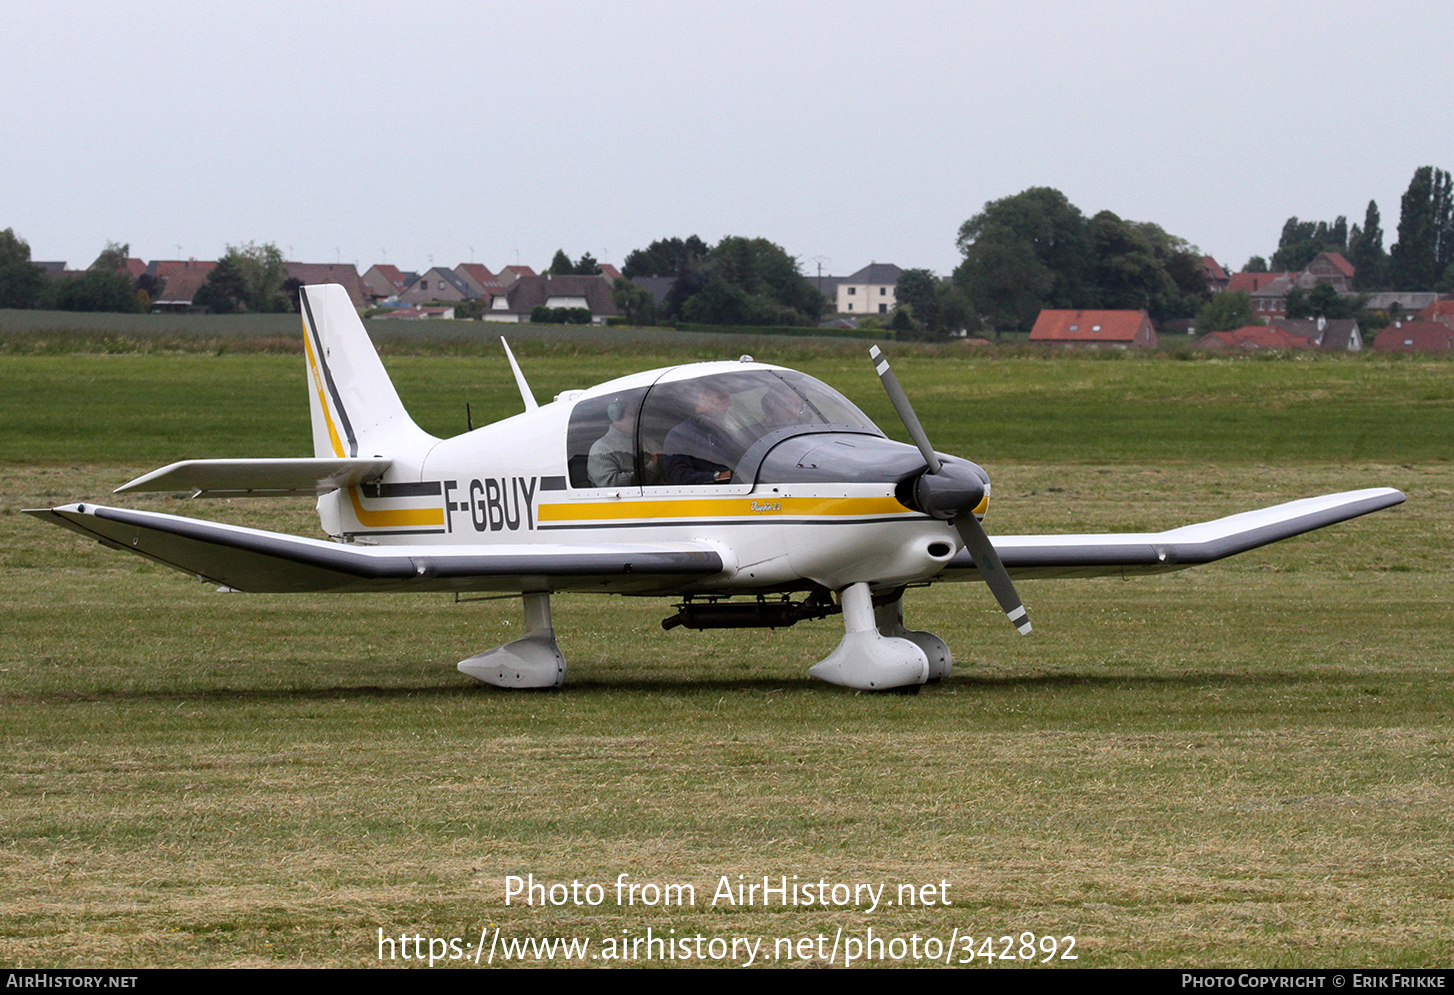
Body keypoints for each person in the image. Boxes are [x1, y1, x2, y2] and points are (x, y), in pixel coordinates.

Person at [663, 384, 735, 484]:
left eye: (728, 398)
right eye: (721, 398)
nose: (729, 403)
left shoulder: (726, 433)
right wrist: (719, 476)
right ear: (702, 399)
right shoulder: (680, 434)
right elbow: (679, 476)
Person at [587, 397, 637, 486]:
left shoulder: (650, 444)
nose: (636, 419)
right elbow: (610, 483)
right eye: (632, 414)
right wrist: (651, 469)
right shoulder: (602, 448)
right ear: (617, 416)